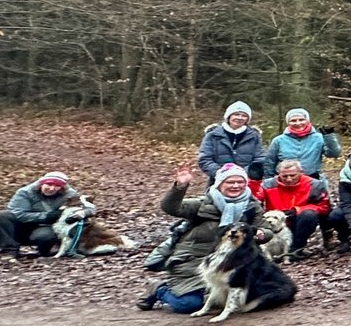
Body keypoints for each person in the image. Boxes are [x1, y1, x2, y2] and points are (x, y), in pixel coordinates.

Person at [139, 164, 257, 313]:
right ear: (220, 183)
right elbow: (171, 207)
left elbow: (265, 227)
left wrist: (263, 233)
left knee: (249, 296)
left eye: (240, 182)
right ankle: (159, 289)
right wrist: (180, 186)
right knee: (188, 304)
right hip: (192, 262)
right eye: (230, 182)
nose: (235, 186)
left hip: (231, 262)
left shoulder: (252, 206)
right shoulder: (202, 204)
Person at [0, 172, 89, 260]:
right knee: (0, 216)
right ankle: (9, 250)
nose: (52, 188)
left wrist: (82, 213)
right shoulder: (25, 192)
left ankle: (47, 250)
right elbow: (20, 214)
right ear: (41, 183)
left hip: (50, 227)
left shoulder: (70, 194)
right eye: (48, 184)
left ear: (62, 187)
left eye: (57, 186)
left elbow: (88, 207)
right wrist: (47, 216)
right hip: (24, 226)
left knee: (44, 236)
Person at [260, 159, 330, 257]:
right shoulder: (267, 184)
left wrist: (297, 210)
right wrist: (254, 181)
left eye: (293, 175)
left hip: (299, 221)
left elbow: (324, 207)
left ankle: (295, 249)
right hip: (274, 223)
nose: (289, 179)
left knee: (309, 215)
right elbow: (255, 200)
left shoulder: (314, 184)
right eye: (284, 176)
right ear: (278, 174)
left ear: (301, 173)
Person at [197, 101, 266, 183]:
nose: (240, 118)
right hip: (217, 182)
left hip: (246, 182)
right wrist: (221, 173)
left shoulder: (254, 136)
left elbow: (260, 158)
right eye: (236, 114)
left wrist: (243, 173)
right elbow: (204, 159)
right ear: (228, 116)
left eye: (244, 116)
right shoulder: (212, 135)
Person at [265, 108, 341, 178]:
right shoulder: (279, 140)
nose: (298, 123)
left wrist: (329, 137)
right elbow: (269, 163)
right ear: (288, 122)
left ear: (307, 120)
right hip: (287, 180)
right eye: (293, 121)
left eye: (301, 119)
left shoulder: (318, 138)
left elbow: (334, 154)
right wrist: (270, 181)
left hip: (313, 180)